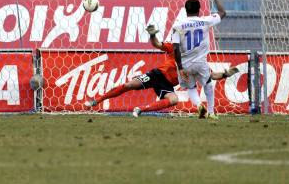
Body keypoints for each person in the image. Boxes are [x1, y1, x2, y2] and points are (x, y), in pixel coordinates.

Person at [84, 23, 237, 117]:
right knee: (129, 85)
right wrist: (152, 35)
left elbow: (212, 75)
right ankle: (97, 100)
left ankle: (141, 110)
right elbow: (157, 44)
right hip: (157, 75)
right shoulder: (174, 47)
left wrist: (225, 74)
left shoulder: (197, 60)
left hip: (168, 85)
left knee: (174, 100)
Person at [172, 0, 227, 119]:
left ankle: (199, 106)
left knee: (190, 87)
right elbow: (223, 12)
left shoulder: (178, 25)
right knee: (207, 84)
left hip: (185, 63)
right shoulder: (205, 21)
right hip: (200, 62)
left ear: (186, 10)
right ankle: (211, 112)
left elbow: (175, 47)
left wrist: (180, 68)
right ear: (199, 9)